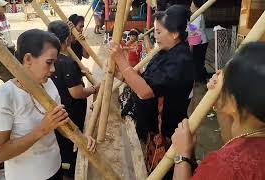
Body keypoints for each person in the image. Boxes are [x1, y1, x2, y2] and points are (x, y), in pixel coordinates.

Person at [0, 29, 96, 180]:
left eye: (54, 63)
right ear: (28, 59)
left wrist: (80, 137)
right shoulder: (4, 96)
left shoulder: (49, 84)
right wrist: (42, 129)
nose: (53, 69)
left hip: (55, 168)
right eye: (49, 62)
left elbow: (61, 125)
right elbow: (0, 153)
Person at [172, 42, 265, 180]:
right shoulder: (254, 130)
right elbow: (233, 139)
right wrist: (220, 103)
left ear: (233, 101)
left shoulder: (225, 167)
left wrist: (181, 157)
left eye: (226, 82)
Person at [111, 5, 194, 142]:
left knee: (160, 161)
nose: (155, 36)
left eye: (159, 32)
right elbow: (144, 81)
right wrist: (119, 74)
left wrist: (121, 61)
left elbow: (145, 92)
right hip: (152, 123)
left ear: (175, 34)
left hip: (166, 129)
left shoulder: (181, 61)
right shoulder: (165, 51)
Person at [48, 20, 99, 178]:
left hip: (58, 108)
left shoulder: (52, 58)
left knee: (62, 143)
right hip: (70, 111)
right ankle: (70, 172)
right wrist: (94, 89)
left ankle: (65, 168)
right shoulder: (66, 62)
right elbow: (76, 93)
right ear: (67, 39)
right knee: (71, 144)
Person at [190, 0, 209, 83]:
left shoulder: (198, 15)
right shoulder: (197, 14)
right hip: (199, 41)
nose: (190, 6)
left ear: (196, 6)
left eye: (192, 4)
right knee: (199, 61)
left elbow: (194, 30)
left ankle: (201, 79)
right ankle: (202, 76)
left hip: (199, 42)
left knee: (198, 61)